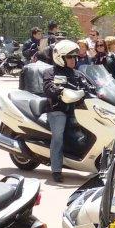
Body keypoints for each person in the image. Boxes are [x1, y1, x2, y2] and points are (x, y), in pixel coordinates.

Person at [42, 40, 89, 184]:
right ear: (60, 57)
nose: (73, 60)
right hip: (58, 110)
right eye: (70, 57)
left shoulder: (78, 74)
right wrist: (60, 91)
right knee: (58, 136)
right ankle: (56, 170)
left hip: (77, 110)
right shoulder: (50, 72)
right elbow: (48, 88)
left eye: (75, 57)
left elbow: (90, 87)